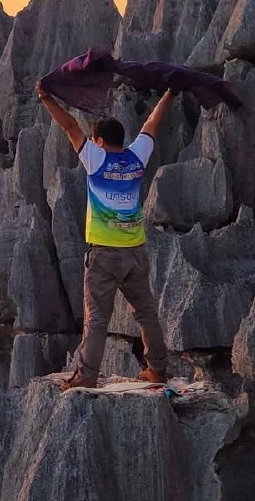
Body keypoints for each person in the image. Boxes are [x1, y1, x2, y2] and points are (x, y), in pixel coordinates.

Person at [36, 81, 174, 389]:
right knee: (147, 313)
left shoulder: (96, 159)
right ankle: (158, 370)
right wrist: (169, 93)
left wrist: (47, 98)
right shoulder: (137, 156)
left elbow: (70, 126)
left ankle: (86, 376)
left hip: (103, 255)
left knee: (97, 319)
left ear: (99, 141)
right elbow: (152, 123)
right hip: (135, 251)